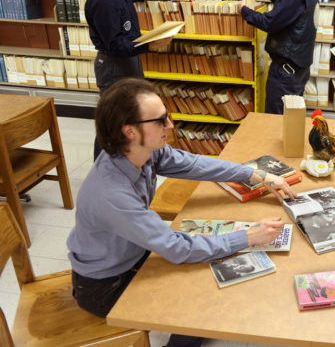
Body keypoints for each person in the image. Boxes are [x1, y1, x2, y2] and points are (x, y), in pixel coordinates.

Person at [67, 78, 296, 347]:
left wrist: (256, 174)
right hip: (107, 285)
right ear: (130, 131)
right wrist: (249, 237)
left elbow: (192, 164)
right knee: (200, 302)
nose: (170, 125)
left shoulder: (140, 152)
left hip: (135, 255)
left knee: (212, 268)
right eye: (159, 121)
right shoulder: (112, 194)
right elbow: (177, 249)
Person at [86, 0, 196, 159]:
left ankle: (130, 161)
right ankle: (102, 168)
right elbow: (115, 45)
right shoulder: (104, 0)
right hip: (114, 65)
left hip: (129, 60)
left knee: (133, 116)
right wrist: (151, 45)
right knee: (112, 122)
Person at [240, 0, 319, 114]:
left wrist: (244, 10)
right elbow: (291, 10)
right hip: (298, 71)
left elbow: (270, 22)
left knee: (276, 122)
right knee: (289, 120)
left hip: (285, 75)